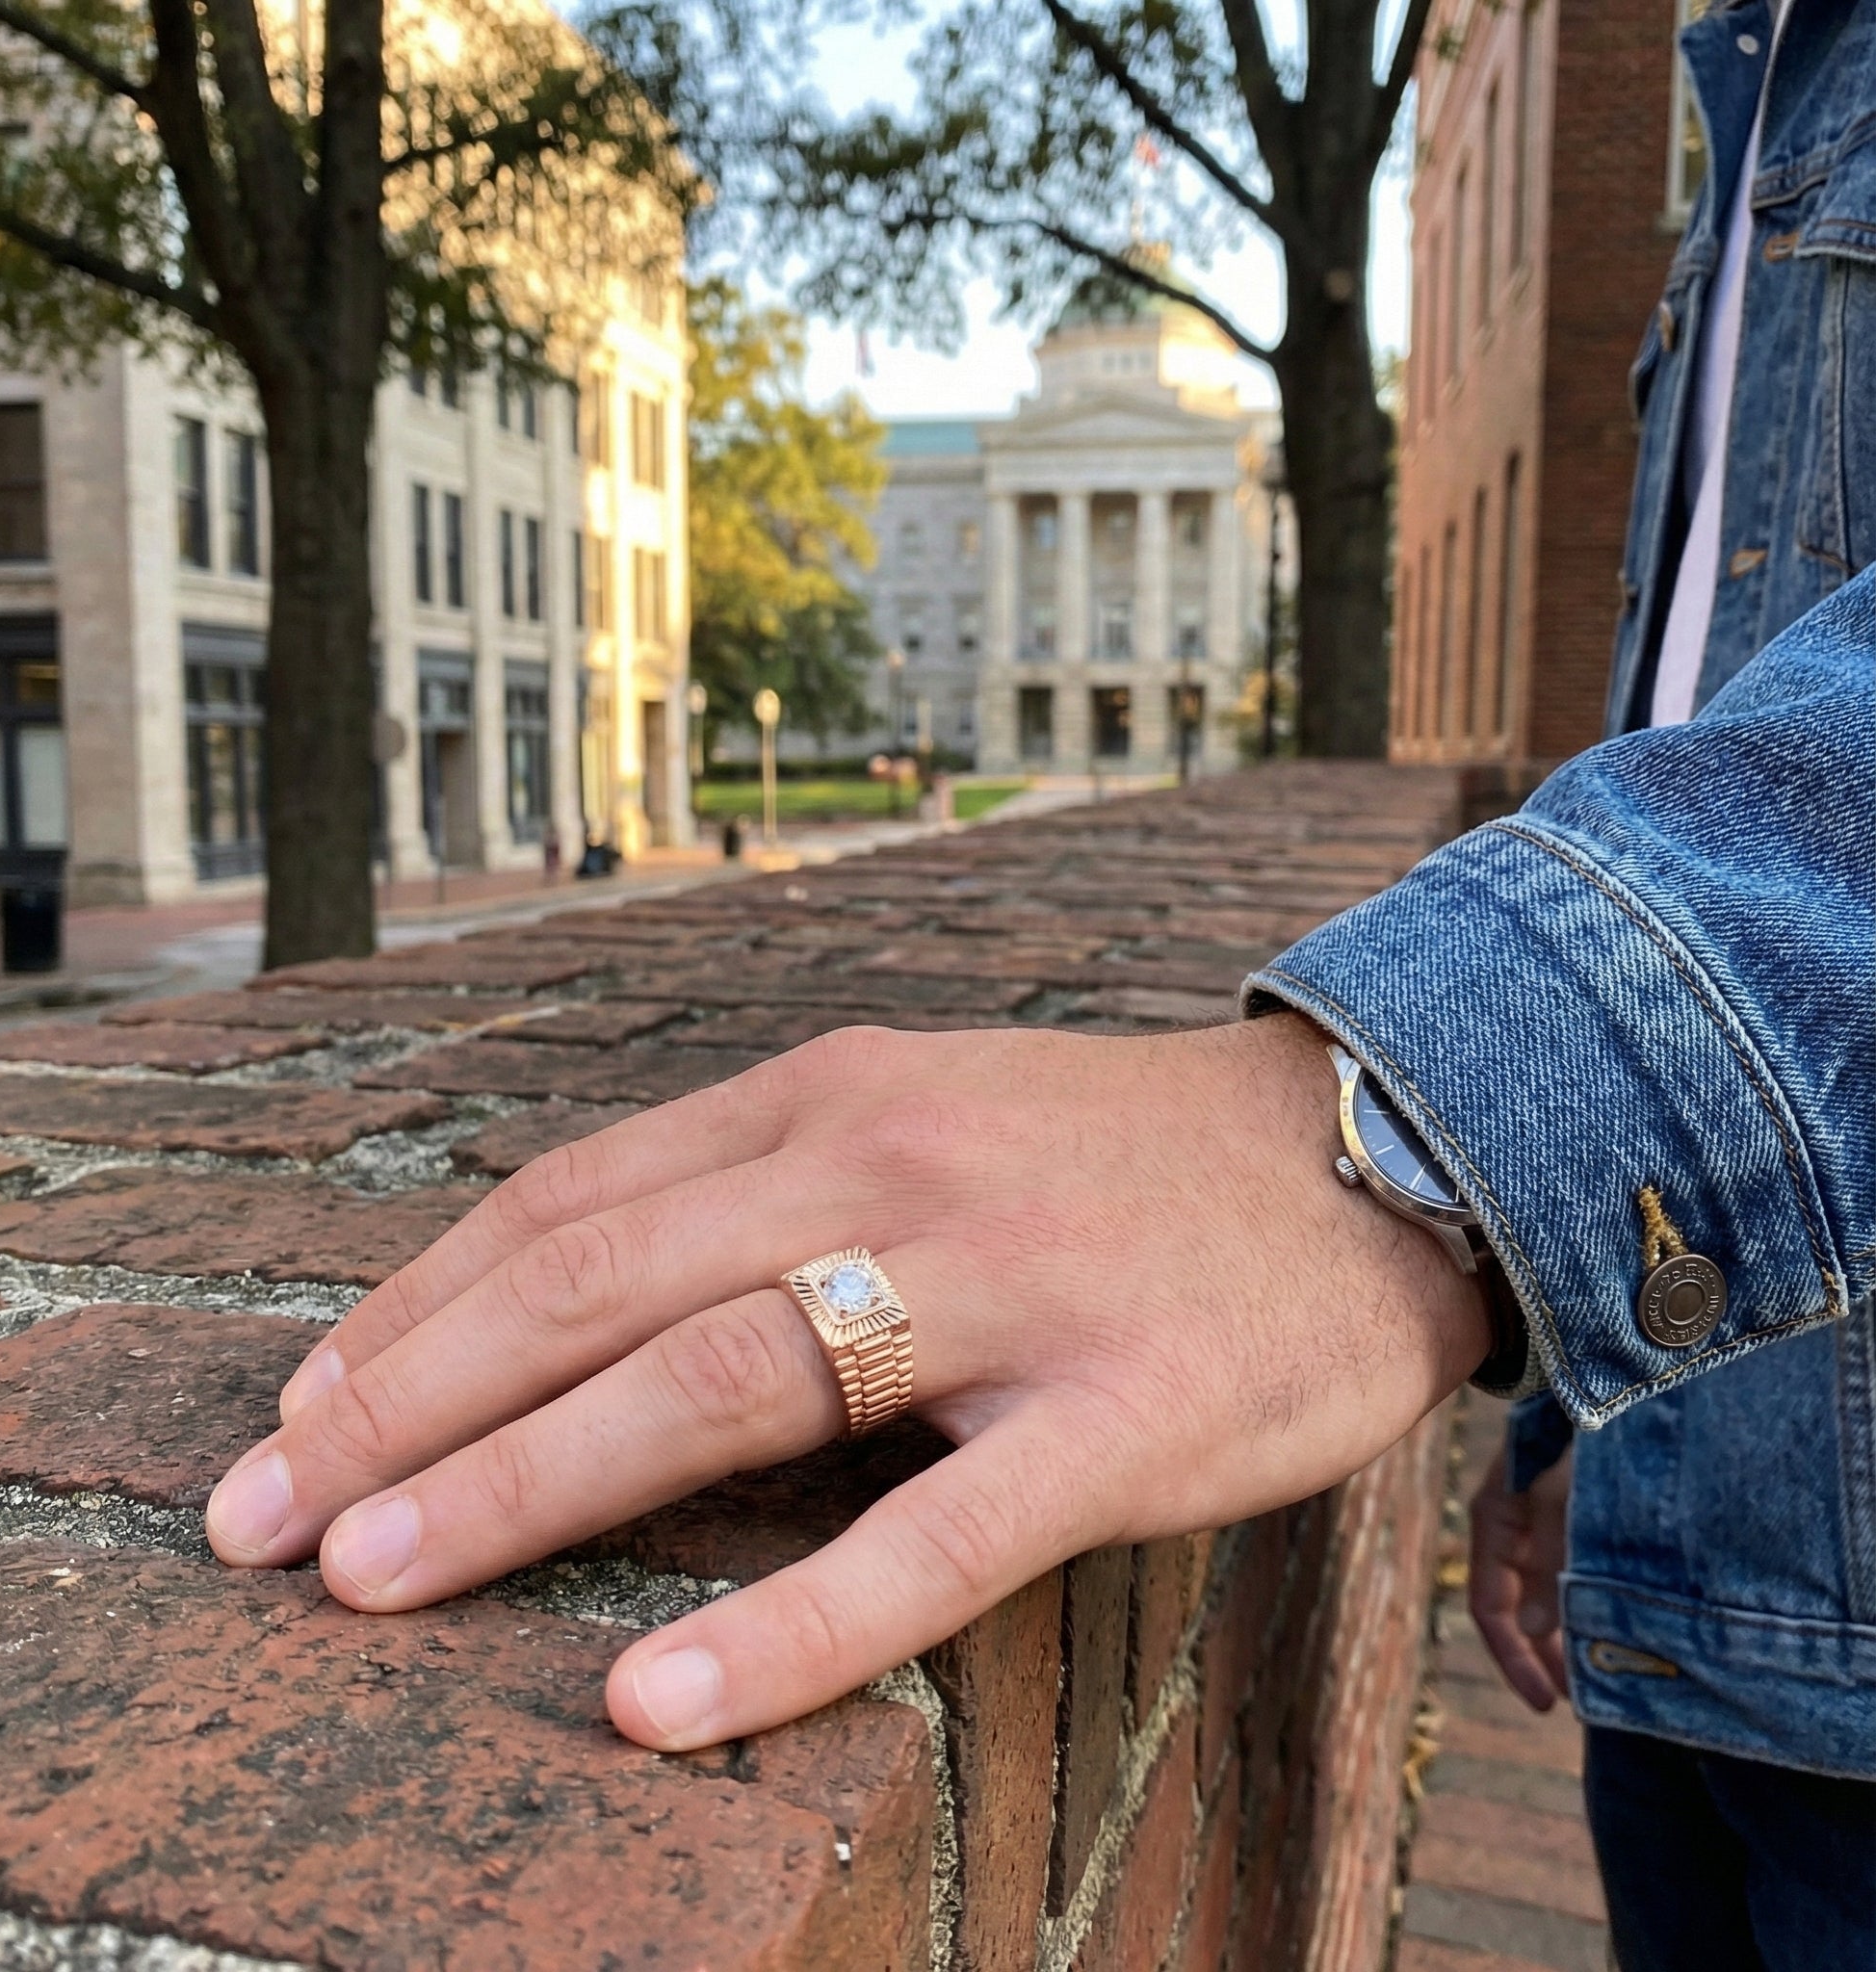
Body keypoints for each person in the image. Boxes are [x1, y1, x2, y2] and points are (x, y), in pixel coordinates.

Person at [205, 0, 1868, 1951]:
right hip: (1693, 1497)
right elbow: (1706, 713)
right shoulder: (1755, 82)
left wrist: (1418, 1141)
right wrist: (1585, 1412)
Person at [1462, 2, 1876, 1963]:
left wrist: (1397, 1090)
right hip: (1681, 1535)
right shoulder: (1744, 121)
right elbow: (1669, 747)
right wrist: (1557, 1419)